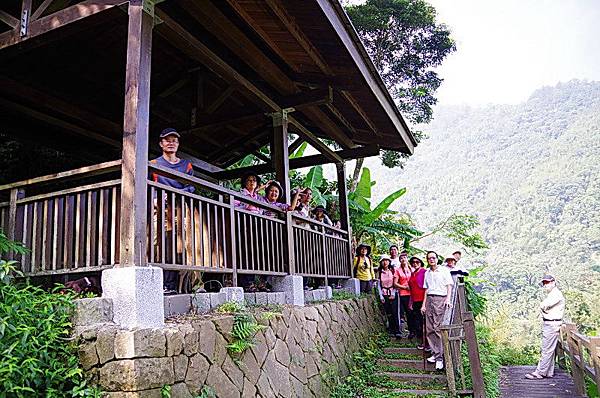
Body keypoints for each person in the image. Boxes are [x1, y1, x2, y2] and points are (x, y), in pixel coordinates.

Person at [150, 128, 194, 294]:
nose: (171, 143)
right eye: (167, 140)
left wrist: (179, 196)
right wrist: (155, 199)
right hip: (159, 209)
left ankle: (179, 285)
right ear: (161, 144)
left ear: (178, 144)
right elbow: (149, 186)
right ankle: (158, 284)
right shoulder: (154, 164)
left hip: (180, 210)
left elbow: (191, 186)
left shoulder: (186, 165)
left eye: (174, 140)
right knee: (157, 244)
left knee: (180, 245)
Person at [525, 275, 565, 380]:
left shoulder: (556, 294)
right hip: (551, 323)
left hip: (552, 325)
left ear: (553, 282)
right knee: (550, 350)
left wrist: (544, 308)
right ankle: (549, 372)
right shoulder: (552, 294)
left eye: (548, 282)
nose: (546, 285)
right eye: (544, 283)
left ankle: (540, 373)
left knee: (546, 349)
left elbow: (543, 305)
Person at [422, 250, 454, 370]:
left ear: (437, 259)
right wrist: (423, 305)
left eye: (433, 258)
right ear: (427, 260)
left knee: (437, 327)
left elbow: (449, 285)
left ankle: (439, 358)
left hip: (440, 298)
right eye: (429, 258)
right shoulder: (427, 273)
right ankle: (435, 354)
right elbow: (426, 289)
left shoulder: (444, 271)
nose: (431, 260)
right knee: (429, 328)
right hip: (430, 299)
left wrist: (448, 299)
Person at [377, 254, 400, 336]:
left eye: (386, 260)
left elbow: (396, 283)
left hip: (393, 293)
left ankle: (397, 330)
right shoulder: (379, 272)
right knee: (389, 313)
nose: (385, 262)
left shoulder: (393, 270)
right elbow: (379, 285)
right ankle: (391, 329)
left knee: (395, 312)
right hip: (384, 294)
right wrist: (381, 296)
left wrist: (393, 293)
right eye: (383, 261)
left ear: (389, 262)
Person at [408, 256, 427, 346]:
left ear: (421, 263)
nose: (415, 263)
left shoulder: (424, 272)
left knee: (424, 322)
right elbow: (411, 289)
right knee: (417, 321)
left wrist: (424, 303)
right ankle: (422, 341)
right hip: (415, 300)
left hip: (423, 300)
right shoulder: (413, 273)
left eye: (417, 262)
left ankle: (426, 343)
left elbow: (427, 287)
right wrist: (411, 302)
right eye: (413, 262)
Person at [396, 251, 412, 336]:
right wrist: (404, 287)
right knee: (403, 313)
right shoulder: (398, 270)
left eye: (405, 258)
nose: (403, 259)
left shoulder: (411, 269)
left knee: (411, 312)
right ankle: (402, 330)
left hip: (412, 294)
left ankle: (412, 330)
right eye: (401, 258)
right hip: (402, 294)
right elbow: (395, 283)